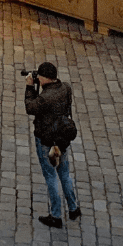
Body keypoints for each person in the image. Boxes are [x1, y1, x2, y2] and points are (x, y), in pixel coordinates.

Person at [25, 61, 81, 229]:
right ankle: (73, 208)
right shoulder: (66, 88)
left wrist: (29, 88)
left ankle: (56, 215)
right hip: (61, 140)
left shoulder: (45, 98)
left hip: (47, 141)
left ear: (45, 78)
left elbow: (30, 107)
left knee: (51, 177)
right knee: (64, 173)